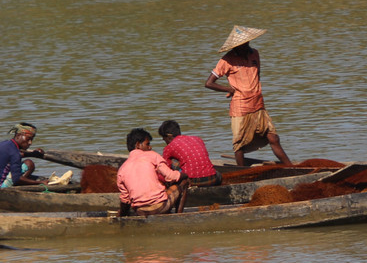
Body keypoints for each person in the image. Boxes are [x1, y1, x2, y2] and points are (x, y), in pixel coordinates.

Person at [205, 25, 293, 166]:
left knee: (273, 138)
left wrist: (253, 89)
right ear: (235, 46)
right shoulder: (227, 60)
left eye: (246, 43)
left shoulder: (254, 54)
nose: (244, 46)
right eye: (240, 45)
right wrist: (230, 89)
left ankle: (291, 168)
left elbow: (257, 76)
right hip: (241, 107)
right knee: (240, 144)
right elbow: (209, 83)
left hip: (258, 105)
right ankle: (241, 172)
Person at [117, 128, 189, 216]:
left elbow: (125, 200)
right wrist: (184, 175)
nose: (150, 147)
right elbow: (171, 176)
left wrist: (121, 216)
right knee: (184, 182)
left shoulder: (122, 169)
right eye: (147, 144)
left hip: (140, 211)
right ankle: (178, 217)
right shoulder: (153, 155)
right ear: (138, 145)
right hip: (160, 207)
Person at [158, 119, 221, 187]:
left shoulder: (169, 147)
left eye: (164, 139)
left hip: (192, 181)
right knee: (217, 173)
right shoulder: (197, 139)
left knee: (172, 161)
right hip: (213, 179)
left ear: (169, 136)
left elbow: (165, 171)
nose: (165, 142)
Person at [0, 122, 47, 188]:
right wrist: (39, 183)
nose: (30, 143)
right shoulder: (14, 153)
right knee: (29, 164)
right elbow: (16, 179)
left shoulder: (5, 144)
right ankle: (17, 187)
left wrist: (33, 153)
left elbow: (18, 155)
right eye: (28, 139)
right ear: (18, 136)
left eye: (32, 139)